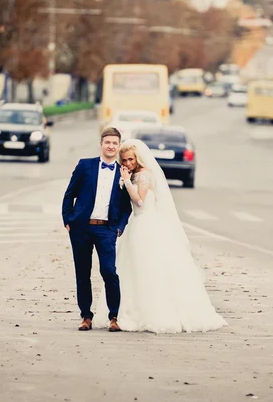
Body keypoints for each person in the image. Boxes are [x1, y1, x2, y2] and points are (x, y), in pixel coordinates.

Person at [94, 139, 228, 334]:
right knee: (132, 268)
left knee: (149, 268)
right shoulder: (134, 173)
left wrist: (125, 182)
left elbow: (139, 201)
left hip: (147, 225)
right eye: (124, 160)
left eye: (130, 159)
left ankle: (154, 312)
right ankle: (129, 310)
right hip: (137, 224)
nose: (127, 163)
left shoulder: (143, 175)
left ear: (137, 158)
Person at [62, 127, 133, 332]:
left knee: (109, 271)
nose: (111, 146)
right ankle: (86, 316)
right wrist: (68, 220)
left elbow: (127, 207)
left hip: (106, 230)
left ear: (119, 146)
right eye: (107, 142)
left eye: (114, 143)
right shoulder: (85, 166)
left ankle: (114, 316)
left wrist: (119, 228)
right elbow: (70, 194)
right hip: (81, 228)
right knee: (82, 273)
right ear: (101, 144)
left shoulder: (123, 172)